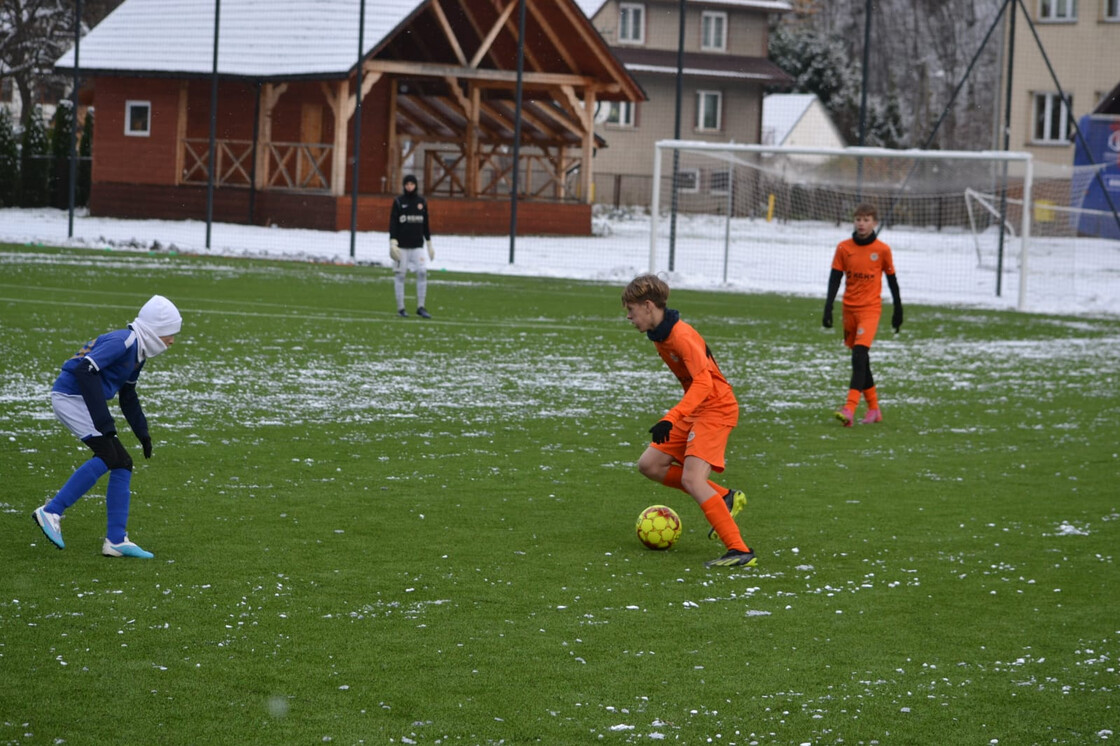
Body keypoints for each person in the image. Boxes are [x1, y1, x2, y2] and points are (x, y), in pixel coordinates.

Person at [32, 295, 183, 559]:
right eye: (169, 333)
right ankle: (51, 511)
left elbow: (128, 395)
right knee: (108, 455)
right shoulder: (123, 341)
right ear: (155, 329)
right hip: (70, 397)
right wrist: (105, 422)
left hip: (81, 399)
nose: (171, 340)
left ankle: (115, 540)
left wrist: (142, 432)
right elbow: (83, 372)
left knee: (122, 462)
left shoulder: (139, 352)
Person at [622, 274, 755, 568]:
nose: (629, 317)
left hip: (716, 408)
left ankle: (739, 551)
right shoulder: (660, 335)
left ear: (647, 305)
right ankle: (725, 497)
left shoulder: (681, 336)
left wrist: (671, 417)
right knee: (650, 465)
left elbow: (704, 384)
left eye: (631, 310)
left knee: (692, 479)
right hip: (698, 408)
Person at [822, 203, 903, 426]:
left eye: (867, 219)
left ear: (874, 223)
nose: (862, 223)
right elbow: (835, 279)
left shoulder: (882, 250)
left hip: (870, 310)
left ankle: (849, 408)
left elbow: (892, 281)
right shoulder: (843, 248)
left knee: (859, 355)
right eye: (858, 219)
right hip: (849, 310)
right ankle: (874, 409)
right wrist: (828, 307)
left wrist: (898, 309)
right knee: (861, 360)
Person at [388, 173, 434, 319]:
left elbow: (426, 223)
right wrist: (393, 241)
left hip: (417, 246)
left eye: (412, 184)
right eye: (407, 184)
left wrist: (429, 243)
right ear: (404, 186)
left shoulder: (422, 202)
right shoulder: (398, 201)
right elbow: (393, 222)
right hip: (401, 246)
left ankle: (421, 307)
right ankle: (401, 308)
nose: (409, 187)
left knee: (422, 272)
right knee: (400, 276)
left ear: (416, 185)